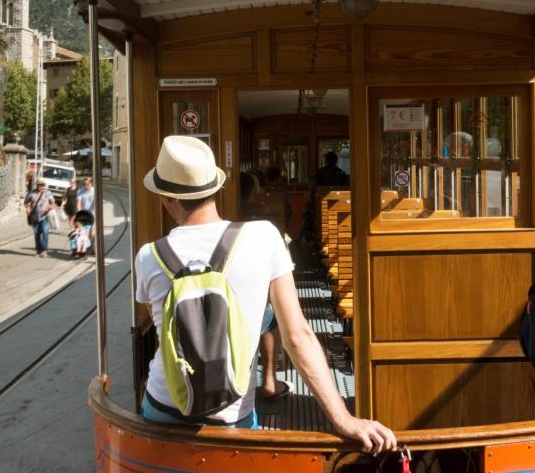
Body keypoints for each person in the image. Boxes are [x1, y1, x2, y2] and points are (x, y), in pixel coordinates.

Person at [135, 135, 395, 452]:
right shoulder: (263, 237)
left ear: (166, 197)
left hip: (163, 408)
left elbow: (162, 326)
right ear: (216, 189)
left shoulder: (149, 255)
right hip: (229, 413)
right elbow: (297, 335)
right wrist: (342, 419)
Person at [24, 178, 56, 257]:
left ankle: (44, 250)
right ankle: (38, 251)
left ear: (43, 185)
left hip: (44, 216)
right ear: (36, 185)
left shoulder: (47, 193)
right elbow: (26, 203)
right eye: (39, 184)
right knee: (36, 233)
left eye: (41, 185)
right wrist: (28, 209)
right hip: (35, 217)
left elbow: (53, 204)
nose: (40, 186)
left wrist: (48, 208)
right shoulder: (31, 193)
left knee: (45, 232)